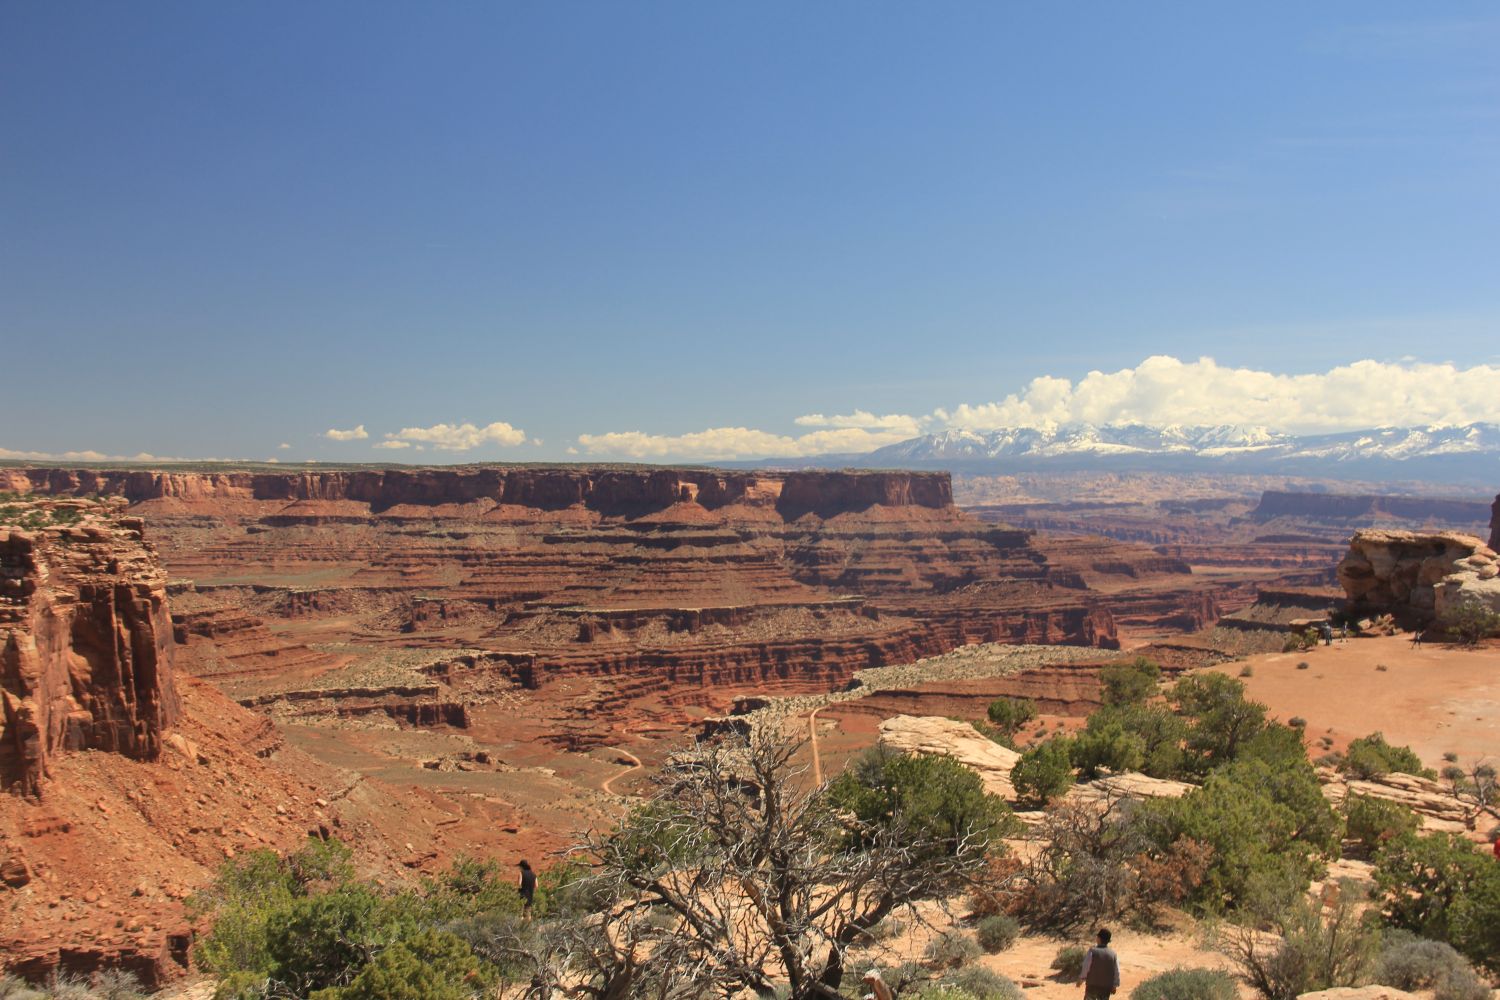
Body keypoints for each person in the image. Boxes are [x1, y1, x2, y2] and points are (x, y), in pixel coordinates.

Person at [1078, 928, 1120, 999]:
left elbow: (1086, 967)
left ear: (1098, 939)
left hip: (1092, 987)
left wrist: (1081, 979)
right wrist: (1114, 985)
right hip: (1105, 989)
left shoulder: (1092, 951)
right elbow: (1117, 971)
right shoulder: (1113, 954)